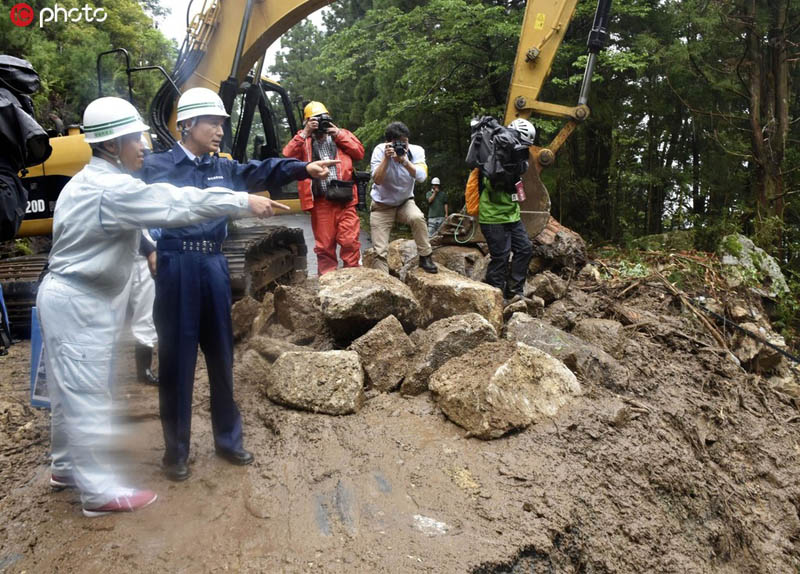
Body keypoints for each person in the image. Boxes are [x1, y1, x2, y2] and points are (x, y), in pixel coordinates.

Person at [38, 96, 288, 517]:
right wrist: (240, 201)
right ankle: (98, 490)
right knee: (87, 392)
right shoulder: (110, 187)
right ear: (112, 145)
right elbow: (175, 203)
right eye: (136, 138)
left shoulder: (88, 180)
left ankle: (65, 468)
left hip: (74, 295)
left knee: (69, 390)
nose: (144, 146)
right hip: (80, 301)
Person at [137, 87, 337, 482]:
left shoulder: (222, 167)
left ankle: (228, 440)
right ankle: (175, 452)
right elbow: (129, 208)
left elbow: (259, 170)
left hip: (213, 262)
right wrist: (147, 247)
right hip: (175, 261)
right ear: (188, 124)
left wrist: (302, 169)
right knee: (176, 360)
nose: (219, 130)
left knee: (221, 355)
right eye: (213, 122)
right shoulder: (156, 166)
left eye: (222, 123)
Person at [282, 101, 364, 275]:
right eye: (315, 120)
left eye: (323, 120)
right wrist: (305, 133)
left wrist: (339, 134)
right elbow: (287, 155)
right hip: (321, 202)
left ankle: (353, 278)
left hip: (345, 198)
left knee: (349, 241)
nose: (320, 124)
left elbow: (359, 152)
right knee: (325, 246)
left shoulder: (341, 135)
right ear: (308, 122)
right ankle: (328, 284)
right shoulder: (304, 140)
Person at [465, 118, 536, 301]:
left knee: (525, 249)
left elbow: (517, 181)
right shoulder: (493, 158)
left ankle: (515, 292)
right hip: (493, 217)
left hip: (512, 214)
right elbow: (496, 181)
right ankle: (494, 297)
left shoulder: (516, 159)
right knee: (501, 257)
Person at [369, 121, 437, 274]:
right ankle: (383, 281)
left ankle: (426, 256)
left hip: (404, 202)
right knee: (379, 251)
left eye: (404, 142)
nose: (402, 146)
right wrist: (387, 159)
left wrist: (405, 161)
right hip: (382, 206)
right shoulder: (380, 151)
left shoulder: (416, 151)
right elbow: (377, 180)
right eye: (397, 143)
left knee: (417, 218)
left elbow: (421, 177)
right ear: (388, 143)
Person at [128, 230, 159, 385]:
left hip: (142, 259)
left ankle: (144, 370)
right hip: (133, 256)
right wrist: (149, 250)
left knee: (146, 315)